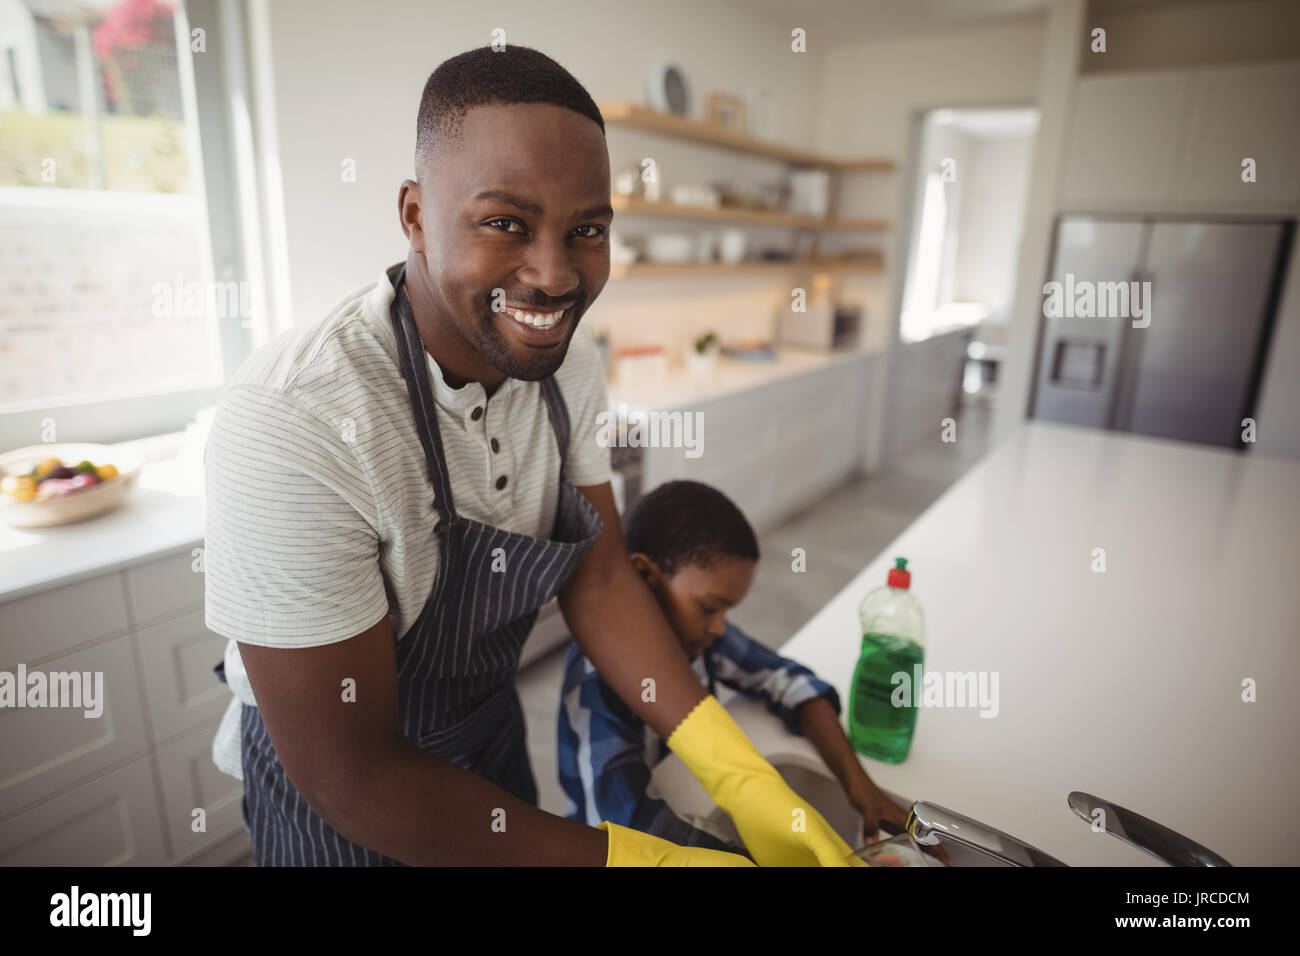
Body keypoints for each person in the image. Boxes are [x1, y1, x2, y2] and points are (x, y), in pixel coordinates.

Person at [203, 44, 857, 866]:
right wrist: (642, 860)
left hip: (488, 742)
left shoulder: (568, 365)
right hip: (344, 803)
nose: (554, 276)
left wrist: (739, 777)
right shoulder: (298, 418)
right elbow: (356, 773)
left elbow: (602, 573)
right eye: (505, 222)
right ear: (413, 215)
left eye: (586, 230)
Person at [558, 480, 916, 855]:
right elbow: (625, 824)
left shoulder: (698, 637)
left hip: (687, 801)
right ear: (646, 576)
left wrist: (860, 787)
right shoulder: (593, 684)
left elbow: (789, 681)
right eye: (711, 608)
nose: (719, 627)